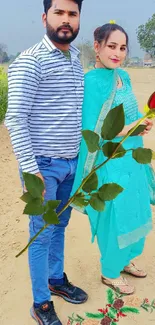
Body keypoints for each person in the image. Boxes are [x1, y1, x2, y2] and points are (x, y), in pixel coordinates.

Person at [5, 0, 88, 324]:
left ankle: (55, 280)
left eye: (72, 13)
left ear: (78, 18)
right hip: (42, 166)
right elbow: (15, 119)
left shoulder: (76, 58)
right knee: (41, 232)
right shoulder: (31, 61)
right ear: (45, 17)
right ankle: (41, 303)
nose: (66, 20)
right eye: (59, 12)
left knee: (60, 226)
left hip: (70, 163)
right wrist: (31, 171)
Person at [71, 22, 153, 295]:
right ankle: (109, 271)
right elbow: (93, 131)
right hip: (109, 160)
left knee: (135, 210)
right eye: (111, 46)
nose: (117, 53)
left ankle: (123, 259)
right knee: (114, 217)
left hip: (132, 158)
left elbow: (129, 115)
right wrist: (127, 130)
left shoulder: (123, 76)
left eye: (122, 47)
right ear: (97, 47)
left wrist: (141, 124)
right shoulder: (92, 82)